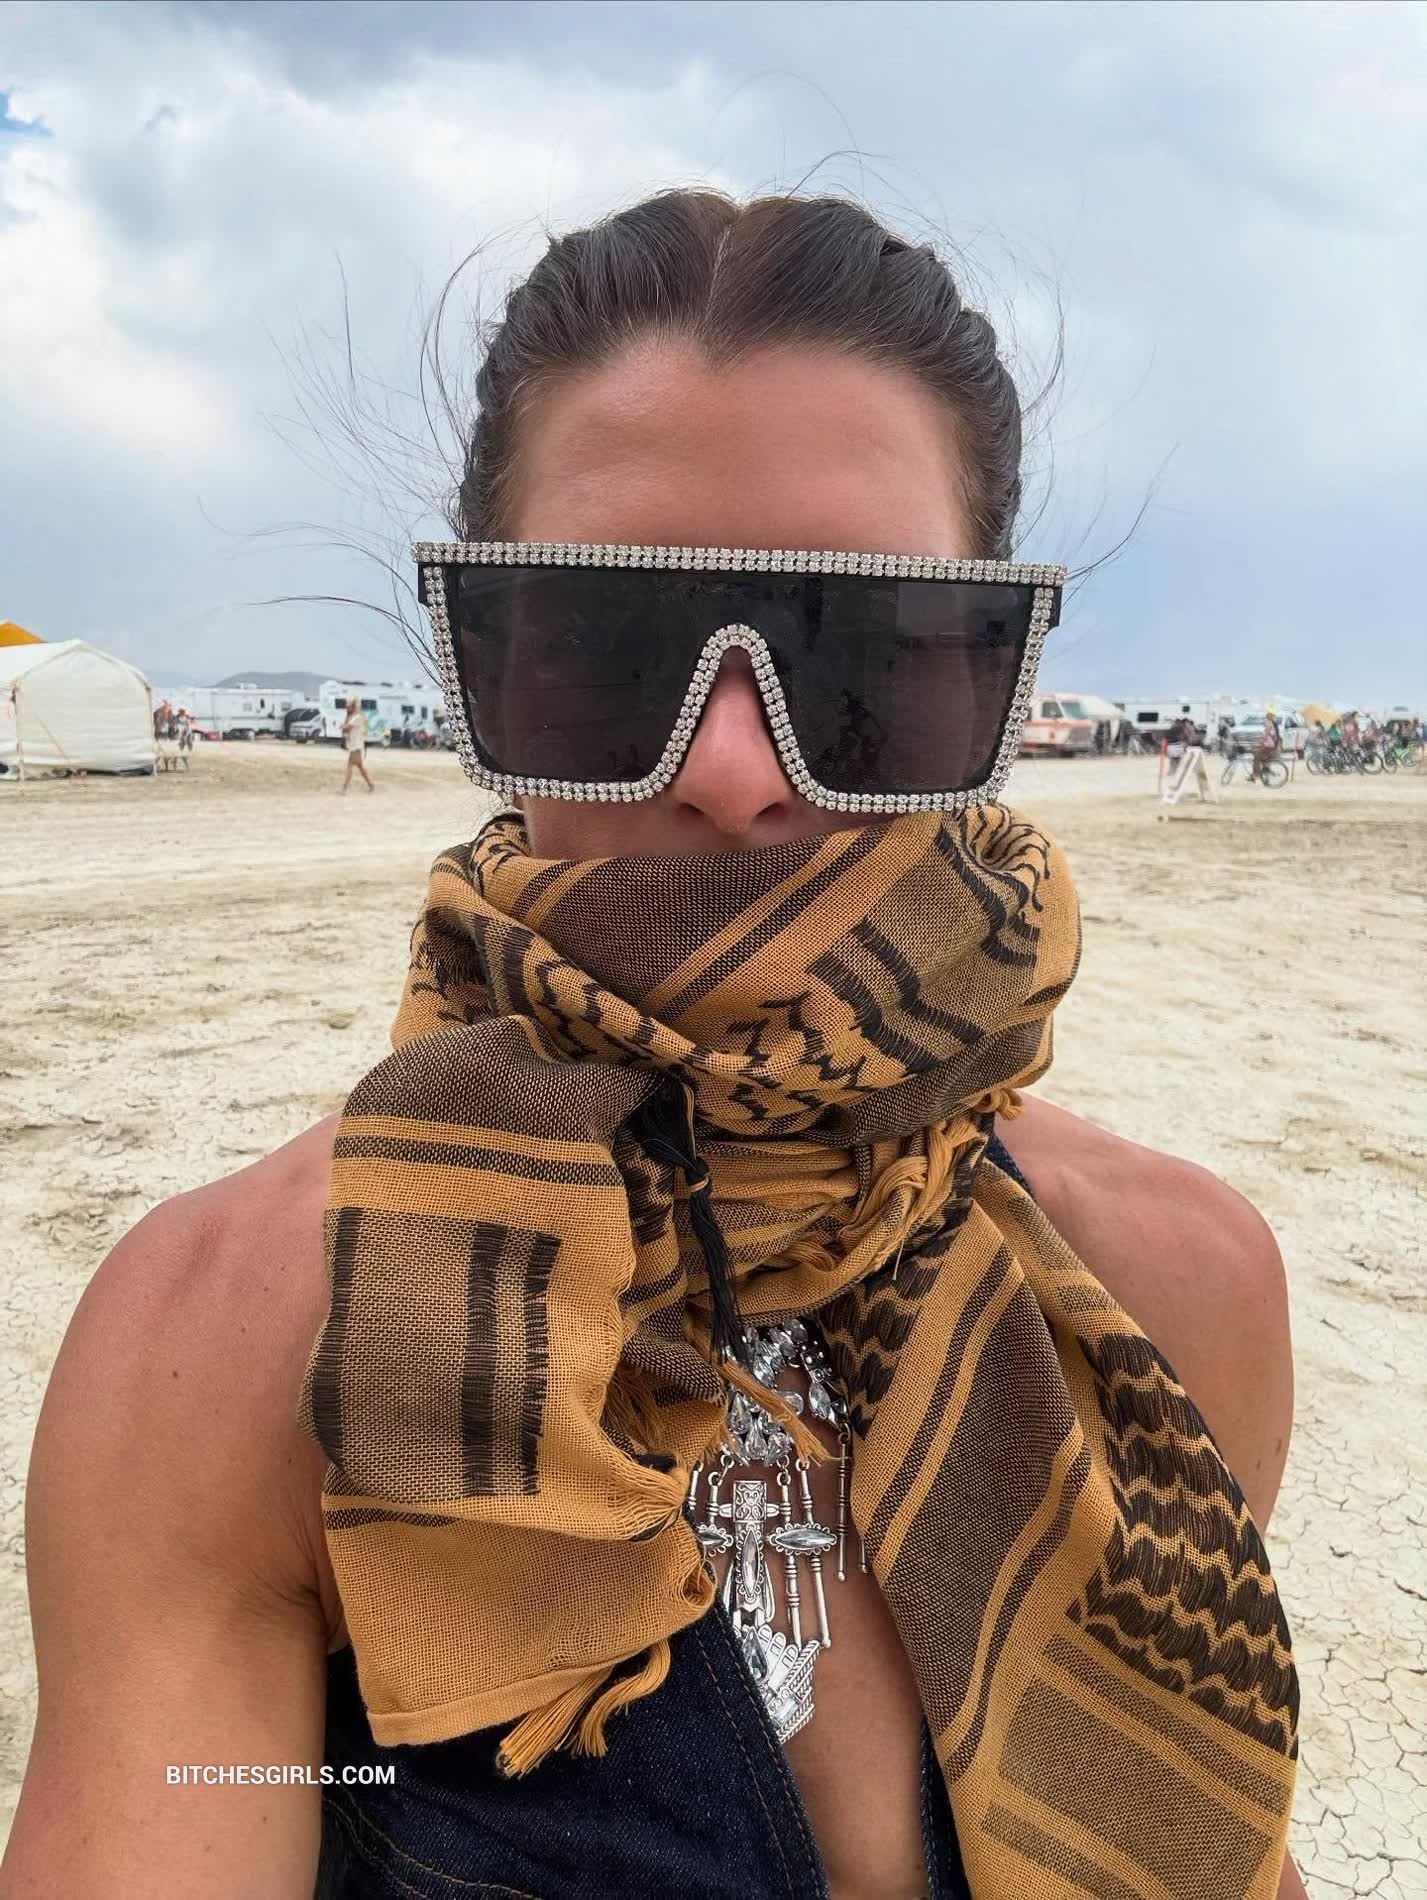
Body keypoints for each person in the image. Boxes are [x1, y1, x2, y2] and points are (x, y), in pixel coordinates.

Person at [3, 190, 1306, 1900]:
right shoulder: (226, 1351)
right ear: (479, 666)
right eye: (608, 651)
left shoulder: (1173, 1292)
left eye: (862, 654)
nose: (732, 773)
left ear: (989, 679)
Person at [340, 695, 374, 794]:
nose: (347, 708)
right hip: (355, 746)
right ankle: (371, 785)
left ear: (353, 707)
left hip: (356, 746)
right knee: (360, 767)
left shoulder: (357, 717)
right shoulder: (353, 717)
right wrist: (344, 726)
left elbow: (347, 728)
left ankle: (344, 789)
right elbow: (346, 728)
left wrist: (344, 727)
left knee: (350, 766)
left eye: (349, 706)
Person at [1251, 705, 1282, 782]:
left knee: (1256, 757)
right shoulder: (1274, 724)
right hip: (1271, 746)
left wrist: (1261, 741)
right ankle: (1265, 771)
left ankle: (1255, 775)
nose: (1266, 715)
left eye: (1268, 714)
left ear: (1270, 715)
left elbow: (1265, 735)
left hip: (1269, 746)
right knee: (1261, 757)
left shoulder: (1269, 723)